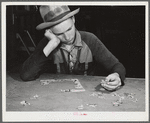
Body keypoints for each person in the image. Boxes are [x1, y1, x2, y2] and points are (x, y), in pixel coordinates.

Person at [20, 5, 126, 91]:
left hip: (88, 94)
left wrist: (117, 76)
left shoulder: (90, 39)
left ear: (73, 19)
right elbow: (26, 75)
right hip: (56, 95)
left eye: (69, 29)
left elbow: (117, 65)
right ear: (50, 32)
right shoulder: (47, 43)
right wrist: (50, 45)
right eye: (59, 34)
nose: (67, 37)